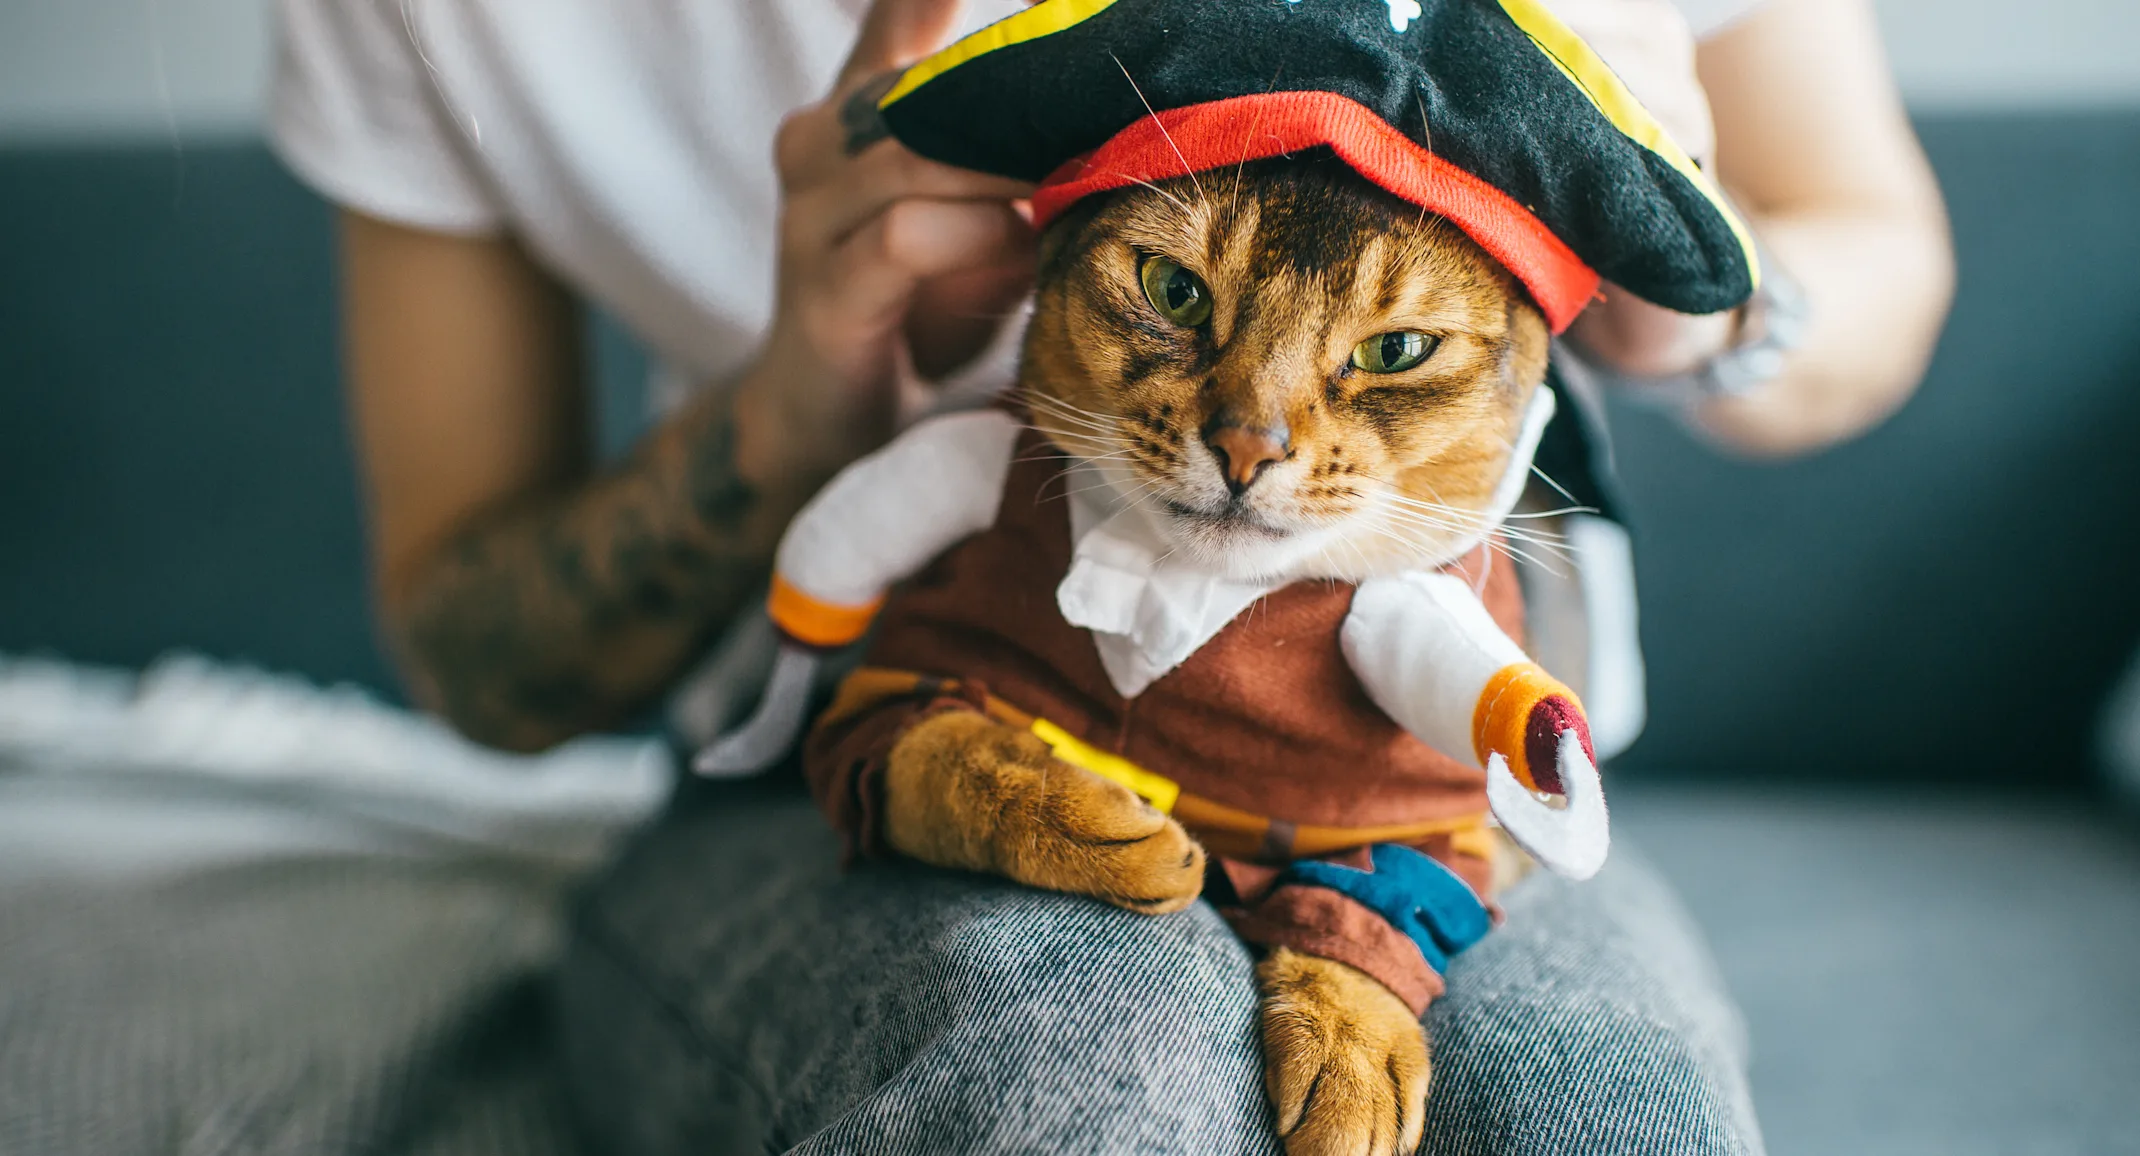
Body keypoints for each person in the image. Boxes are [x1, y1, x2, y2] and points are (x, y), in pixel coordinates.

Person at [269, 0, 1951, 1151]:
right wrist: (802, 397)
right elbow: (481, 663)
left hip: (1394, 771)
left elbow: (1885, 249)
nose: (1256, 442)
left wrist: (1701, 290)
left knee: (1609, 1110)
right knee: (1074, 1069)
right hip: (832, 743)